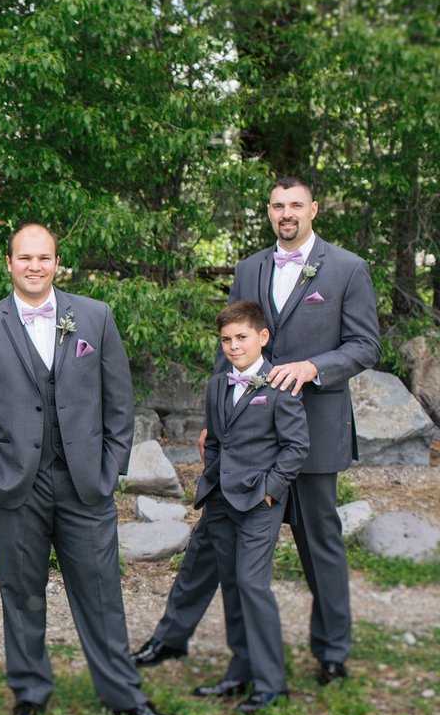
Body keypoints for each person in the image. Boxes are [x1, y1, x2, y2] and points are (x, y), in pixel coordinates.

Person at [133, 177, 381, 686]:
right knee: (210, 541)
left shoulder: (348, 268)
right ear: (269, 212)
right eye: (277, 205)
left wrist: (312, 367)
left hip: (310, 433)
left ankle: (332, 651)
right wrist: (214, 419)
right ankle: (170, 637)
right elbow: (232, 341)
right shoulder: (249, 268)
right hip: (243, 436)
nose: (286, 213)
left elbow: (364, 346)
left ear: (314, 208)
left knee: (319, 545)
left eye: (295, 204)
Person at [0, 223, 176, 715]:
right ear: (8, 263)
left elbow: (119, 404)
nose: (34, 266)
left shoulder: (93, 318)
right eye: (24, 258)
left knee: (101, 595)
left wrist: (111, 468)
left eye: (44, 258)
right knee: (22, 594)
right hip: (13, 486)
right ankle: (30, 692)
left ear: (57, 263)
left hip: (84, 484)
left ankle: (124, 695)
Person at [191, 301, 309, 713]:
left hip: (260, 501)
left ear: (262, 337)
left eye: (241, 338)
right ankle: (240, 671)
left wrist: (271, 491)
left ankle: (271, 683)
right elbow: (216, 441)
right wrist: (212, 480)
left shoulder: (279, 384)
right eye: (226, 340)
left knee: (253, 585)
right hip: (223, 499)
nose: (233, 346)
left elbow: (297, 447)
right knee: (232, 585)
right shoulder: (217, 384)